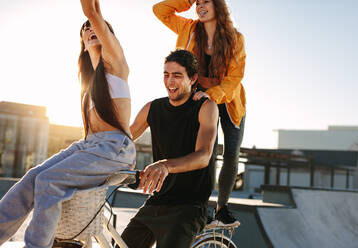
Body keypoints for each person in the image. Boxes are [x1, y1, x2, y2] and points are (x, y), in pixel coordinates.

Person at [0, 0, 136, 247]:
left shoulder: (116, 66)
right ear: (82, 45)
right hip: (89, 146)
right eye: (85, 30)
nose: (90, 28)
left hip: (114, 149)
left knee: (47, 181)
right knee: (33, 177)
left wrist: (93, 17)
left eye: (96, 27)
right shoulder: (87, 88)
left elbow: (92, 12)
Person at [153, 0, 246, 227]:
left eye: (206, 1)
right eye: (198, 2)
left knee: (232, 154)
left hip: (230, 100)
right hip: (198, 99)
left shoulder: (235, 38)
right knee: (205, 154)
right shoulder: (189, 28)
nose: (200, 6)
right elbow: (160, 10)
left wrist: (213, 95)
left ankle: (222, 209)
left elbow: (235, 77)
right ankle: (200, 208)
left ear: (218, 6)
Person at [120, 49, 218, 248]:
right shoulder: (152, 108)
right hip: (158, 201)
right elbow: (123, 140)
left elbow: (203, 156)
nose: (170, 81)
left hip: (189, 206)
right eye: (166, 75)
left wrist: (165, 165)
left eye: (177, 75)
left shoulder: (206, 108)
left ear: (192, 79)